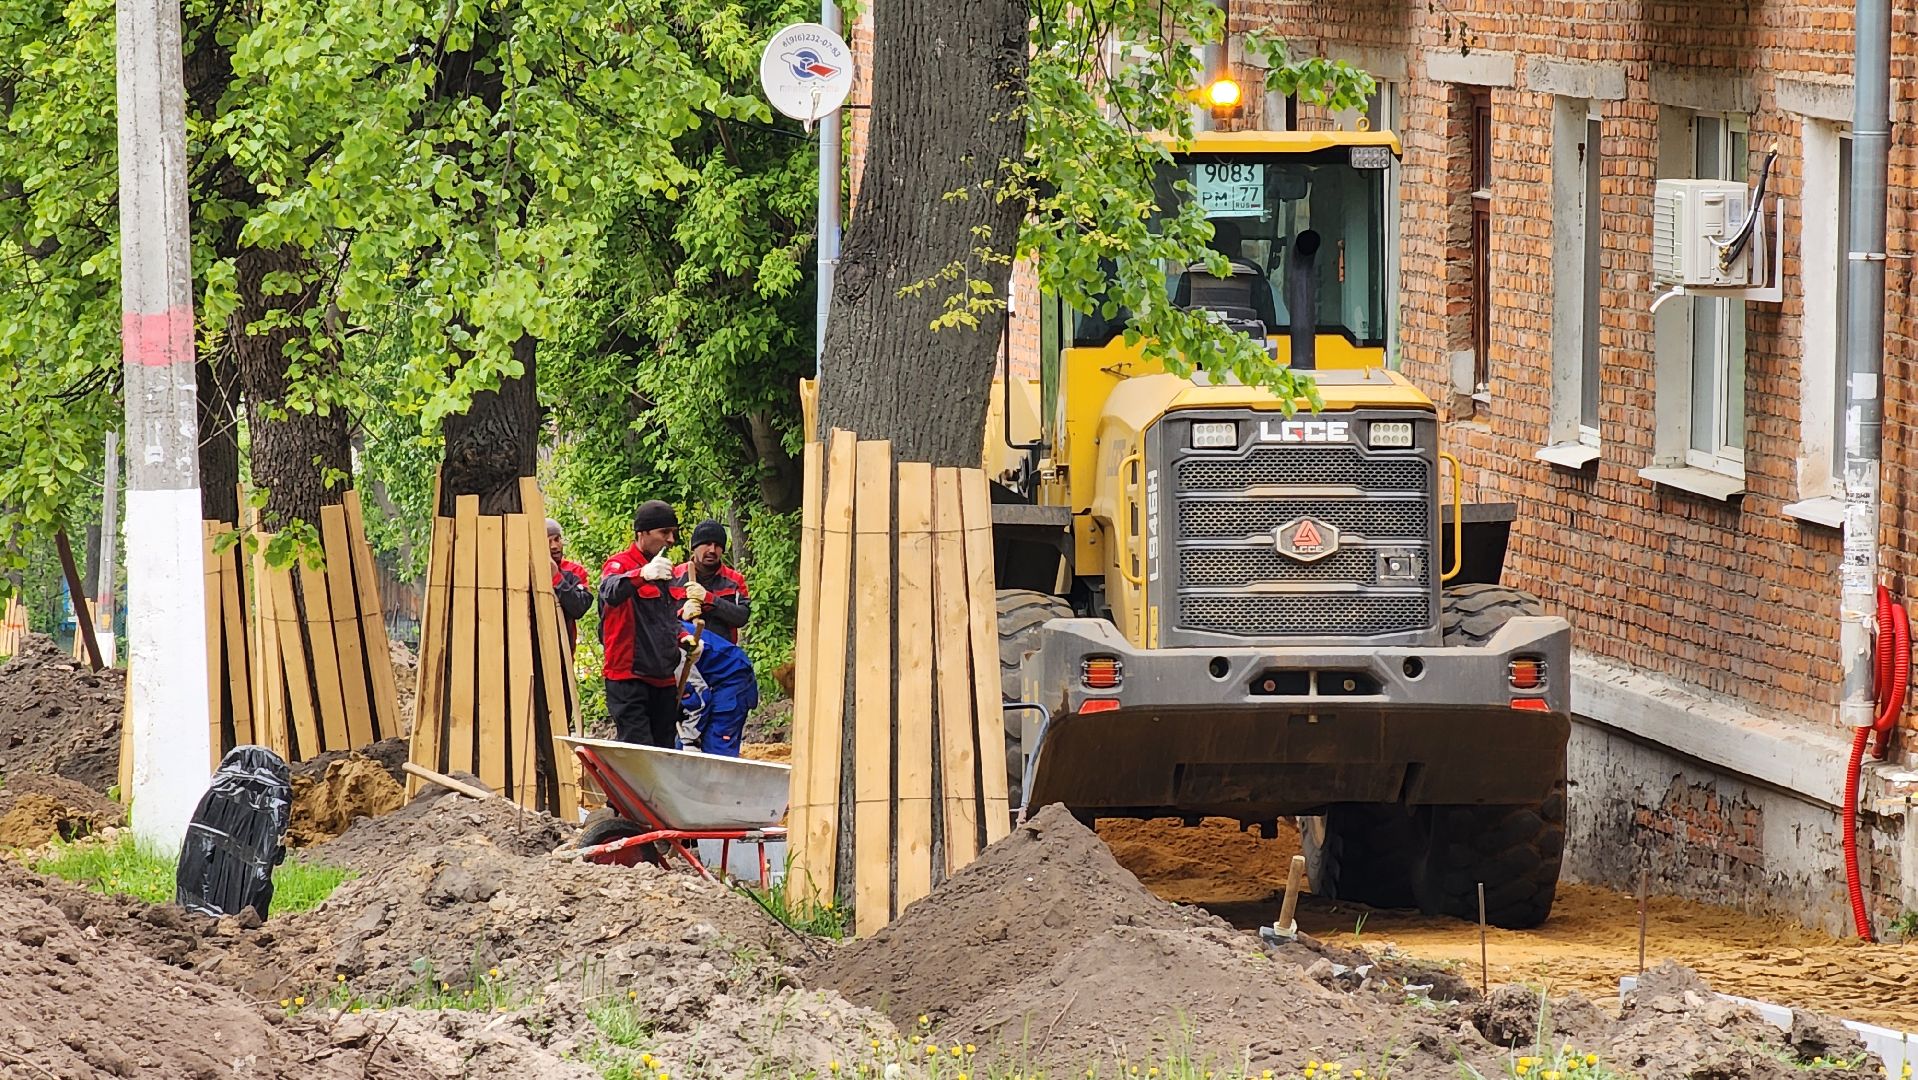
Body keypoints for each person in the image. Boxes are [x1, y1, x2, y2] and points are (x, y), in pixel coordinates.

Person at [597, 501, 695, 748]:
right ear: (643, 533)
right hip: (628, 678)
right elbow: (609, 590)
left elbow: (666, 617)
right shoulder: (619, 565)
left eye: (673, 532)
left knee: (663, 753)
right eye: (664, 533)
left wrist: (683, 636)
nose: (671, 540)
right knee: (638, 753)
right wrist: (641, 575)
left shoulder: (662, 570)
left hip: (662, 680)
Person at [676, 621, 760, 757]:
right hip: (707, 679)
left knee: (715, 752)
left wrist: (689, 742)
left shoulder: (671, 647)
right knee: (679, 747)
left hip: (732, 678)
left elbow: (698, 698)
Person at [674, 520, 751, 643]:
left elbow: (742, 617)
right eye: (707, 544)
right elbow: (657, 619)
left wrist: (709, 599)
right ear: (694, 547)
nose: (712, 550)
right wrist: (681, 614)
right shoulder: (673, 578)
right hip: (681, 653)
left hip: (722, 655)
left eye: (717, 545)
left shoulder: (735, 580)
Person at [547, 518, 592, 652]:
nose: (554, 546)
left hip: (564, 651)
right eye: (548, 541)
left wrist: (557, 578)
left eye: (557, 539)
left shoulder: (575, 572)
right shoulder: (526, 571)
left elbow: (580, 607)